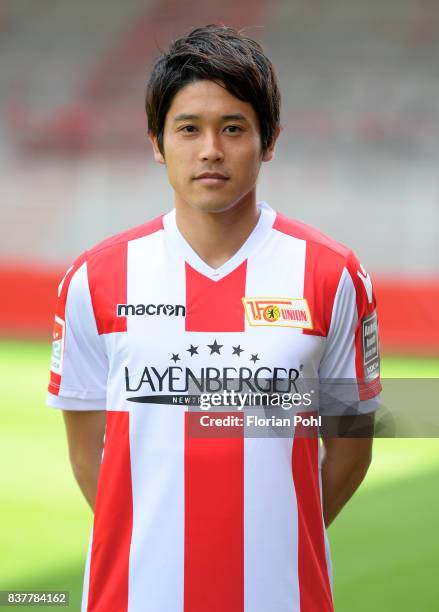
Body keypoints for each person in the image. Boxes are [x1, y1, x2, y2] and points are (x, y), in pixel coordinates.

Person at [47, 24, 381, 612]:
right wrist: (159, 538)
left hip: (280, 594)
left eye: (233, 128)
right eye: (188, 129)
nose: (210, 150)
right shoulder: (95, 278)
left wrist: (273, 529)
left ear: (269, 140)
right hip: (134, 596)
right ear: (157, 142)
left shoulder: (332, 274)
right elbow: (85, 451)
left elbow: (352, 450)